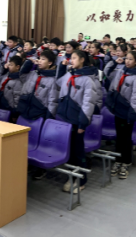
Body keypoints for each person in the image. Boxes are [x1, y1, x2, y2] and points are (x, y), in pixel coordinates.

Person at [50, 50, 102, 191]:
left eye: (74, 58)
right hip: (64, 119)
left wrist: (82, 124)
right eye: (70, 58)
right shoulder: (70, 74)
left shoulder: (88, 80)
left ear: (82, 60)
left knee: (77, 152)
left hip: (76, 121)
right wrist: (62, 67)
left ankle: (81, 180)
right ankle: (71, 176)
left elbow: (88, 104)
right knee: (69, 150)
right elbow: (59, 82)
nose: (71, 60)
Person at [107, 51, 136, 175]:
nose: (127, 61)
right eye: (126, 58)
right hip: (118, 110)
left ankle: (126, 162)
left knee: (126, 138)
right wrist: (113, 63)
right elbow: (108, 76)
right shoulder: (121, 72)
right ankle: (118, 160)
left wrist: (132, 114)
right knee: (119, 137)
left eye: (131, 59)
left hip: (127, 111)